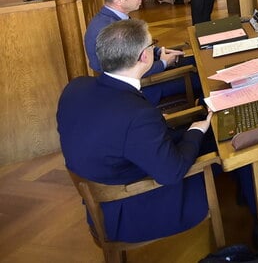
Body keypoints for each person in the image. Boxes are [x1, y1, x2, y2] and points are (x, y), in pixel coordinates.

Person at [58, 18, 215, 245]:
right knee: (229, 145)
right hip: (132, 209)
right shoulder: (136, 114)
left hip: (105, 191)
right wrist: (195, 132)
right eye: (152, 46)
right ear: (144, 57)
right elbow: (171, 173)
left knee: (204, 133)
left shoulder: (76, 87)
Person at [82, 0, 189, 105]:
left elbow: (137, 47)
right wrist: (164, 64)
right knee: (198, 77)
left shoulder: (116, 17)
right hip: (136, 89)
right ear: (119, 0)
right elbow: (126, 71)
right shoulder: (111, 29)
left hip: (141, 70)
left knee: (190, 60)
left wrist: (158, 52)